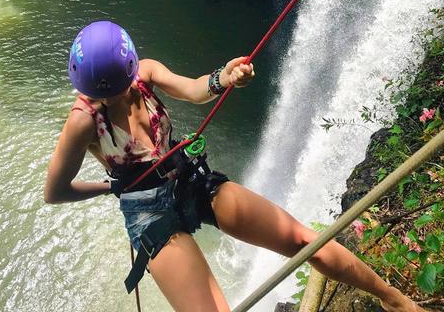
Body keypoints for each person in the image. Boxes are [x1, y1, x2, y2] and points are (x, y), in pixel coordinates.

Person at [45, 21, 424, 312]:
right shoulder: (83, 121)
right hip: (148, 215)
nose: (115, 94)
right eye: (104, 93)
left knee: (306, 241)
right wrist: (112, 187)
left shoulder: (144, 74)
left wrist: (224, 78)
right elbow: (55, 192)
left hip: (190, 181)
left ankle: (395, 301)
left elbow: (192, 89)